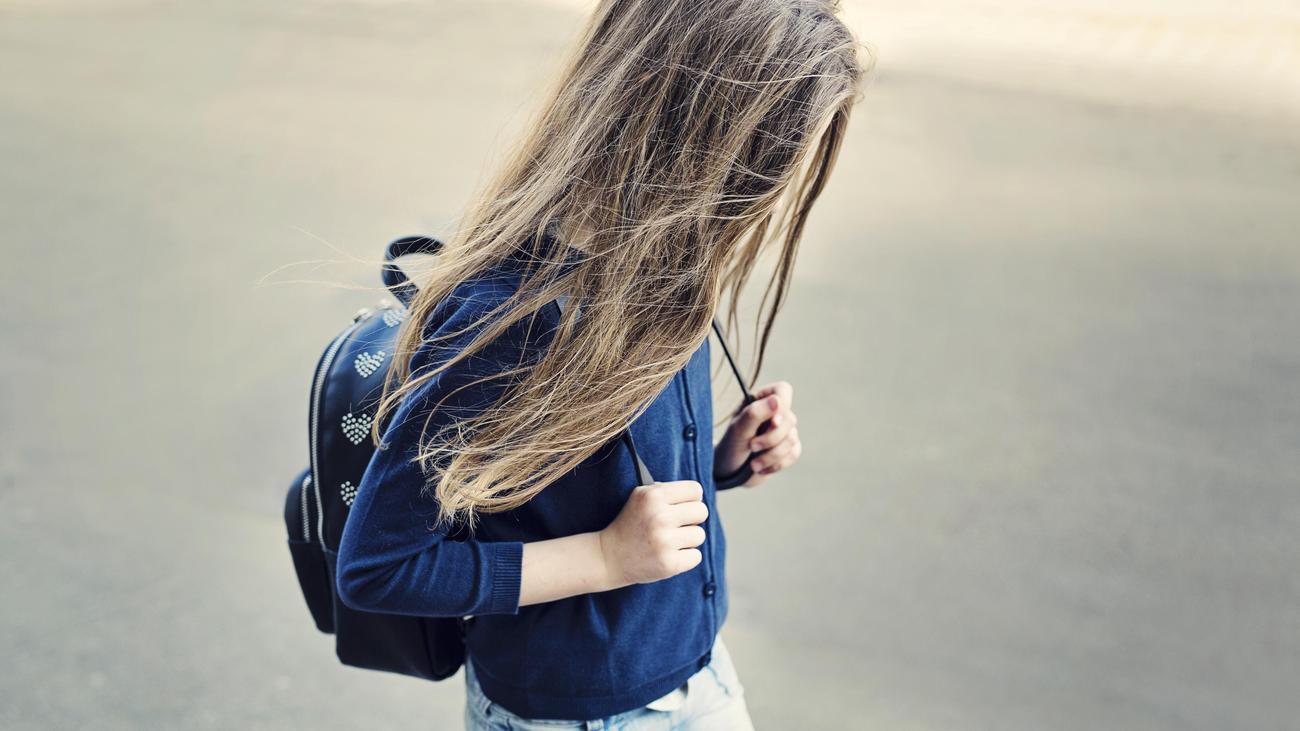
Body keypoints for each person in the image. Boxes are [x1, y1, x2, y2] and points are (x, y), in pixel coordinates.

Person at [334, 0, 867, 727]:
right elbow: (380, 567)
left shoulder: (669, 262)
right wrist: (608, 559)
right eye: (771, 162)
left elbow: (585, 479)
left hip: (700, 670)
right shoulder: (508, 319)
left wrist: (721, 463)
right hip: (576, 712)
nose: (766, 195)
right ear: (703, 144)